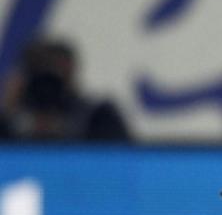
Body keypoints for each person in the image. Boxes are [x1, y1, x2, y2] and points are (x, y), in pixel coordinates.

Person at [0, 38, 130, 141]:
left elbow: (123, 162)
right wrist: (8, 112)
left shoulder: (98, 119)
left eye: (54, 79)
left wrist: (67, 127)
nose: (46, 89)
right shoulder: (9, 124)